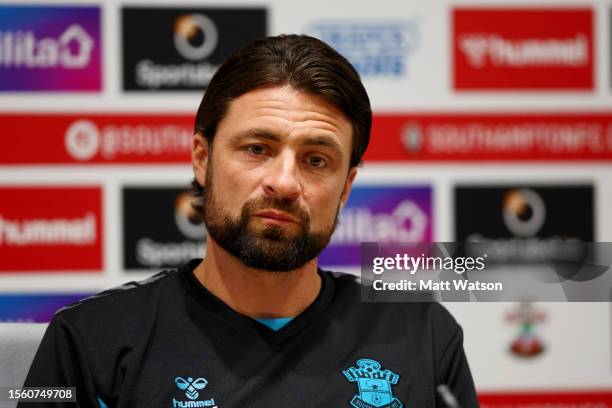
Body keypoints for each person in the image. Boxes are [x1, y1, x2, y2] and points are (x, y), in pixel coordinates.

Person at [19, 34, 479, 408]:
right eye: (257, 149)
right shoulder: (90, 340)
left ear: (346, 185)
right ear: (202, 158)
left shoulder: (424, 335)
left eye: (316, 160)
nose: (283, 182)